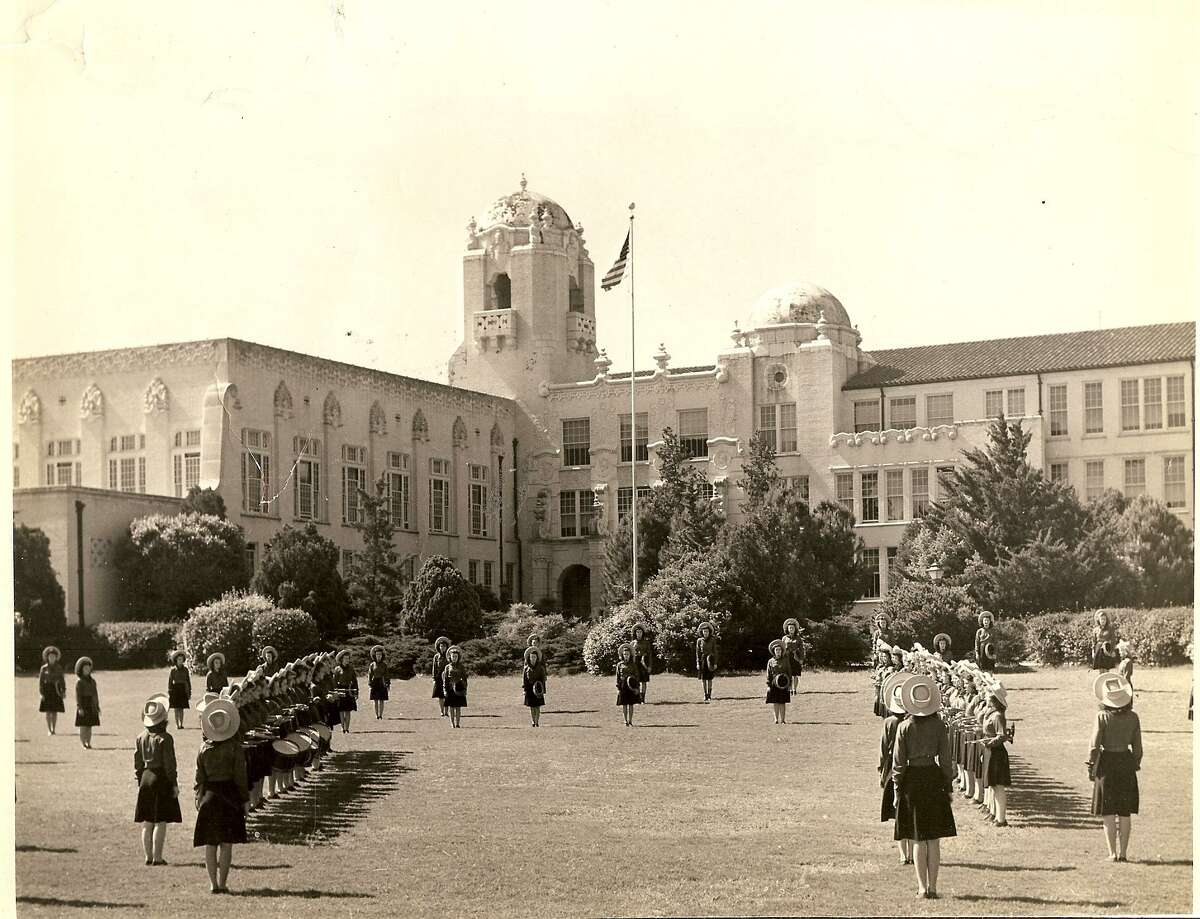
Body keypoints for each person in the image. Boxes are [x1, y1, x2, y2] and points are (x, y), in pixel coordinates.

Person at [892, 674, 956, 899]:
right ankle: (934, 887)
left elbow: (898, 763)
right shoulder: (939, 726)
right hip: (933, 778)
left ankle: (921, 887)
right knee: (934, 838)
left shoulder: (904, 726)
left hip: (912, 781)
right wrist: (948, 786)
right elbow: (946, 760)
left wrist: (897, 790)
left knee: (919, 837)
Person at [194, 698, 248, 894]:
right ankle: (223, 883)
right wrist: (245, 800)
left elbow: (199, 778)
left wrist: (198, 798)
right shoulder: (235, 748)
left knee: (210, 843)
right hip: (229, 797)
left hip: (209, 796)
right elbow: (240, 778)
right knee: (226, 843)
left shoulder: (203, 748)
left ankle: (212, 884)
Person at [1088, 672, 1142, 862]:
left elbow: (1094, 746)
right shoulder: (1133, 717)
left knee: (1108, 811)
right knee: (1125, 811)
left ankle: (1112, 853)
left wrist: (1091, 766)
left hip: (1107, 762)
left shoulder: (1102, 716)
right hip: (1126, 762)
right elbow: (1138, 749)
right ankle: (1124, 853)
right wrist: (1134, 763)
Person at [134, 693, 182, 865]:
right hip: (160, 778)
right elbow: (170, 765)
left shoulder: (140, 737)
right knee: (160, 820)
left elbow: (138, 763)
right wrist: (174, 784)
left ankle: (148, 856)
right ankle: (158, 857)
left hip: (145, 778)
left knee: (147, 820)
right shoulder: (166, 739)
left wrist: (140, 779)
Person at [879, 672, 914, 866]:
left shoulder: (889, 723)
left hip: (894, 767)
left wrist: (881, 770)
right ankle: (908, 853)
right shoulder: (912, 723)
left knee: (897, 813)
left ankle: (903, 855)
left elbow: (884, 749)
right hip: (911, 768)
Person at [981, 684, 1011, 826]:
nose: (985, 697)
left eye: (988, 695)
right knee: (992, 785)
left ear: (993, 699)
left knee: (998, 786)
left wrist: (989, 743)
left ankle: (1001, 819)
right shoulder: (991, 713)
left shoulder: (998, 715)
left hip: (997, 753)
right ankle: (995, 814)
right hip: (990, 751)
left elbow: (1002, 735)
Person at [38, 645, 66, 736]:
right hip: (47, 690)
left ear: (56, 657)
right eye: (50, 656)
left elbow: (62, 680)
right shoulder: (43, 668)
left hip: (56, 690)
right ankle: (49, 729)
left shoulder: (59, 668)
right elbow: (41, 682)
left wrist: (63, 691)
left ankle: (53, 729)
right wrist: (41, 694)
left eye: (53, 656)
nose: (52, 658)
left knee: (54, 711)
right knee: (48, 711)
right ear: (47, 657)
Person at [74, 656, 100, 749]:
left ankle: (88, 742)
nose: (87, 670)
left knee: (89, 726)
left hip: (91, 704)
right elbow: (78, 696)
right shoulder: (79, 682)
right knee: (83, 726)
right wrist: (79, 707)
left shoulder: (93, 681)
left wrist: (97, 706)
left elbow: (95, 694)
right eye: (85, 668)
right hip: (83, 704)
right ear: (81, 669)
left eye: (88, 668)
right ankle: (83, 743)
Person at [442, 646, 468, 729]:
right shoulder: (447, 667)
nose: (454, 658)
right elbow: (445, 680)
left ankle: (457, 724)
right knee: (451, 707)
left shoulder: (461, 667)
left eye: (456, 656)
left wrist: (465, 689)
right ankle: (452, 724)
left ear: (458, 657)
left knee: (458, 707)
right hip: (450, 688)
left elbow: (465, 678)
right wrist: (445, 690)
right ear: (450, 657)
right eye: (453, 656)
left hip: (459, 688)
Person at [766, 639, 791, 724]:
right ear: (774, 651)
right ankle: (776, 719)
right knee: (775, 702)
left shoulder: (786, 660)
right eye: (776, 650)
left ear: (782, 651)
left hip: (784, 683)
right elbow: (768, 674)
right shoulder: (770, 661)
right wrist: (768, 685)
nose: (778, 651)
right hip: (774, 684)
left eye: (780, 650)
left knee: (782, 702)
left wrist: (789, 685)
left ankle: (783, 720)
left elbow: (789, 672)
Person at [615, 643, 641, 727]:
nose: (626, 656)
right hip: (623, 686)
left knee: (631, 704)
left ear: (630, 655)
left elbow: (637, 676)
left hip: (631, 685)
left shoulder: (633, 665)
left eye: (628, 654)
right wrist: (618, 687)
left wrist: (637, 687)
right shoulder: (619, 665)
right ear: (622, 655)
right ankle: (625, 720)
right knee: (624, 704)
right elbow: (618, 676)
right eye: (625, 654)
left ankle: (630, 720)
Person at [333, 649, 359, 733]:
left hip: (349, 690)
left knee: (348, 710)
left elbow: (354, 681)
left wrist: (356, 692)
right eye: (345, 658)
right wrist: (335, 691)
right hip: (340, 690)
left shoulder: (351, 669)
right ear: (341, 659)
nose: (347, 660)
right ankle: (342, 727)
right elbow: (334, 681)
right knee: (341, 710)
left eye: (348, 658)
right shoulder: (337, 669)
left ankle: (347, 728)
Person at [166, 650, 192, 729]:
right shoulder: (173, 670)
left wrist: (189, 691)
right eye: (179, 659)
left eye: (181, 659)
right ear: (176, 660)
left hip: (183, 689)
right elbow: (170, 681)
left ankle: (181, 724)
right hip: (175, 689)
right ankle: (177, 724)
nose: (180, 661)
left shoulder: (185, 670)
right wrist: (170, 690)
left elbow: (188, 681)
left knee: (181, 708)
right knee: (176, 708)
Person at [523, 646, 547, 727]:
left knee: (537, 706)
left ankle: (537, 721)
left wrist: (542, 690)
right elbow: (524, 680)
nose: (533, 658)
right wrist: (525, 690)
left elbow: (543, 679)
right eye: (531, 657)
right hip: (529, 688)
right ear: (529, 658)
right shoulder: (526, 668)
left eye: (534, 657)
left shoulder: (541, 668)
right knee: (532, 707)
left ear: (537, 658)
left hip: (538, 687)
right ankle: (533, 721)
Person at [696, 622, 718, 702]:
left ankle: (709, 695)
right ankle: (705, 694)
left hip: (710, 660)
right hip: (702, 661)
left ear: (709, 632)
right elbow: (697, 653)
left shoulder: (712, 640)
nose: (705, 633)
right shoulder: (699, 641)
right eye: (704, 631)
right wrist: (698, 663)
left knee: (710, 679)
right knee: (703, 679)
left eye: (707, 631)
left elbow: (715, 652)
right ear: (702, 632)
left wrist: (715, 663)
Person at [782, 618, 805, 694]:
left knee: (795, 675)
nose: (791, 629)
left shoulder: (798, 638)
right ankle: (790, 689)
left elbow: (802, 649)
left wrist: (801, 659)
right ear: (787, 629)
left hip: (796, 658)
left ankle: (794, 690)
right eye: (790, 628)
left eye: (793, 628)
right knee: (788, 674)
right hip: (787, 658)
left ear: (795, 629)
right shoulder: (784, 638)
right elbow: (781, 649)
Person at [632, 624, 654, 704]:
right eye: (637, 632)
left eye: (640, 632)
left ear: (642, 633)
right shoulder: (633, 643)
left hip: (644, 663)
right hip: (635, 664)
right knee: (636, 681)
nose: (639, 634)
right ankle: (637, 699)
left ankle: (643, 699)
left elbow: (650, 655)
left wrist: (650, 666)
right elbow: (631, 655)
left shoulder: (646, 642)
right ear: (635, 633)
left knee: (644, 681)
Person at [368, 645, 390, 720]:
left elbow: (387, 675)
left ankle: (381, 715)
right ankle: (376, 715)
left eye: (380, 654)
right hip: (374, 683)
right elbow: (370, 674)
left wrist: (388, 683)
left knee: (381, 700)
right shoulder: (372, 665)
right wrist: (369, 683)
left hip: (382, 682)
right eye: (377, 654)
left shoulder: (384, 665)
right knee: (375, 700)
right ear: (375, 655)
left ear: (382, 655)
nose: (379, 656)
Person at [431, 636, 451, 718]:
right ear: (439, 647)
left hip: (447, 678)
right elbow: (434, 668)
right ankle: (442, 711)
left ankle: (447, 711)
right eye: (441, 646)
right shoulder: (436, 657)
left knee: (447, 695)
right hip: (438, 678)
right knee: (440, 696)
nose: (442, 648)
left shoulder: (449, 656)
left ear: (447, 647)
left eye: (444, 646)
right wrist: (434, 678)